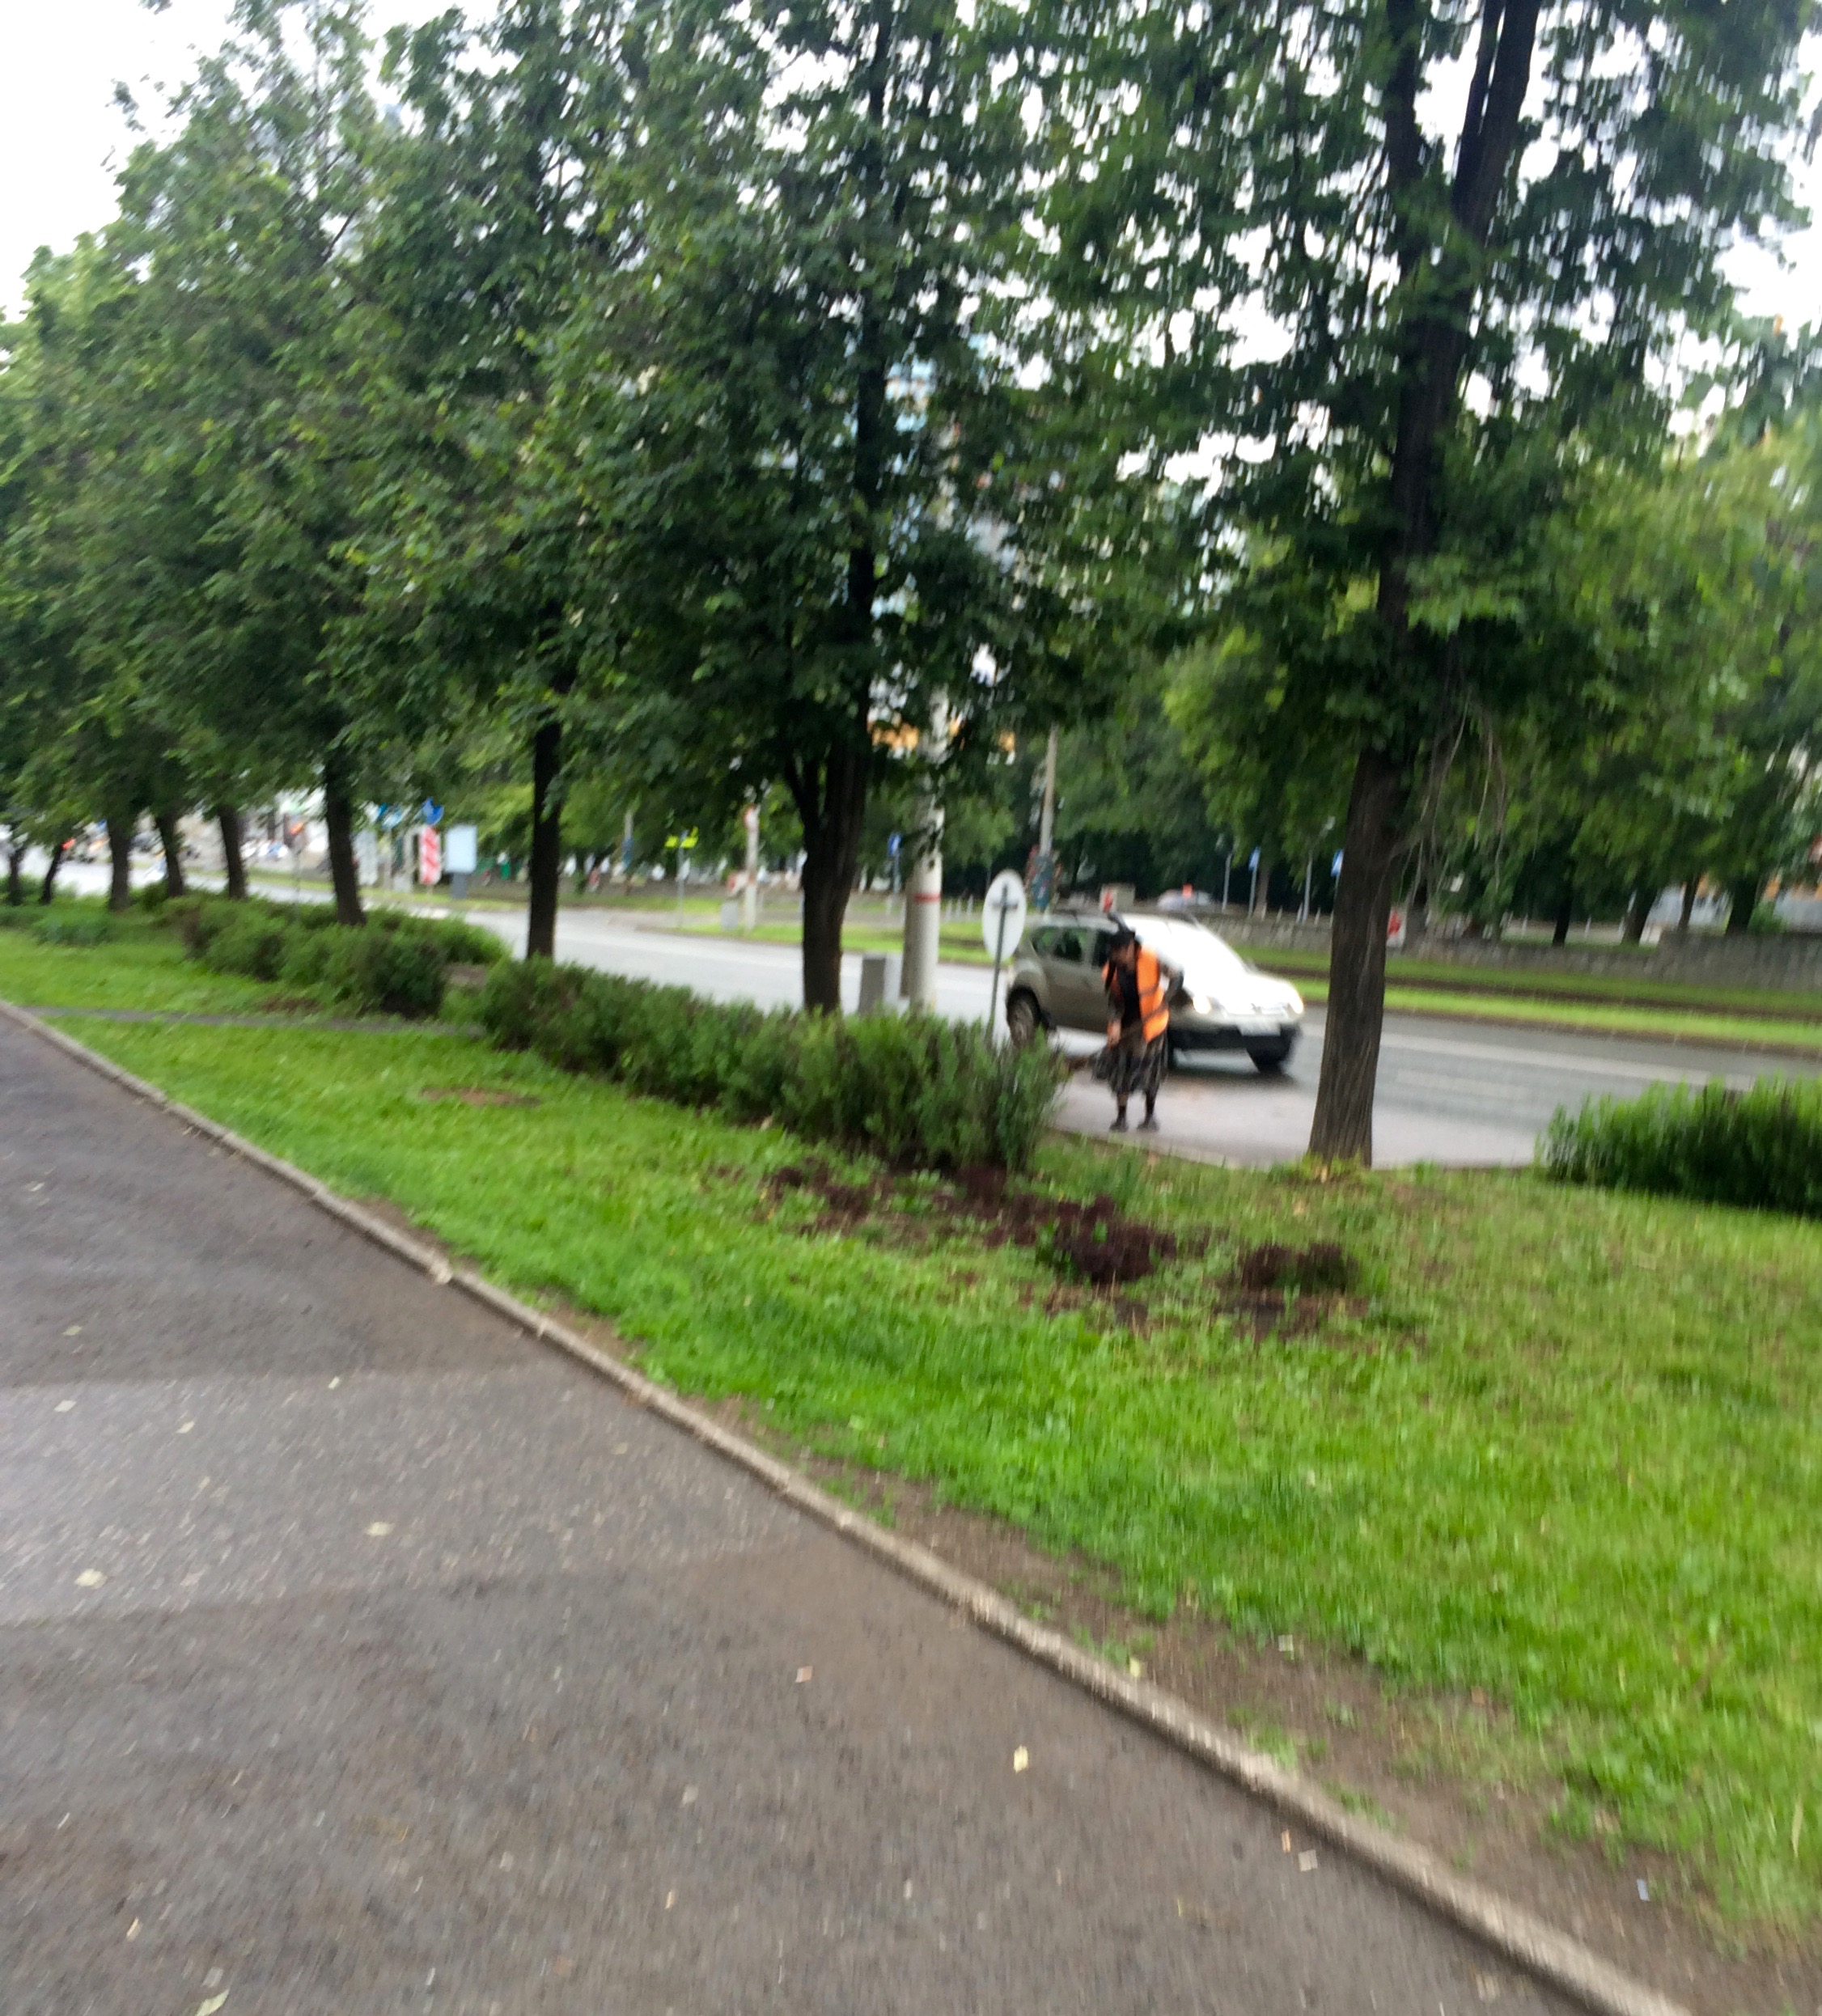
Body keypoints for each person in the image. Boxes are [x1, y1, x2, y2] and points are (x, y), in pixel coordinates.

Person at [1095, 925, 1171, 1132]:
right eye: (1113, 953)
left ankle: (1150, 1117)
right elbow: (1114, 1001)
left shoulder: (1151, 958)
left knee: (1150, 1074)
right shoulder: (1111, 970)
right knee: (1122, 1072)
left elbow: (1177, 977)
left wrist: (1166, 1000)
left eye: (1119, 952)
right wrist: (1115, 1024)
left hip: (1152, 1027)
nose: (1116, 957)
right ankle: (1121, 1119)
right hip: (1128, 1026)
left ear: (1129, 948)